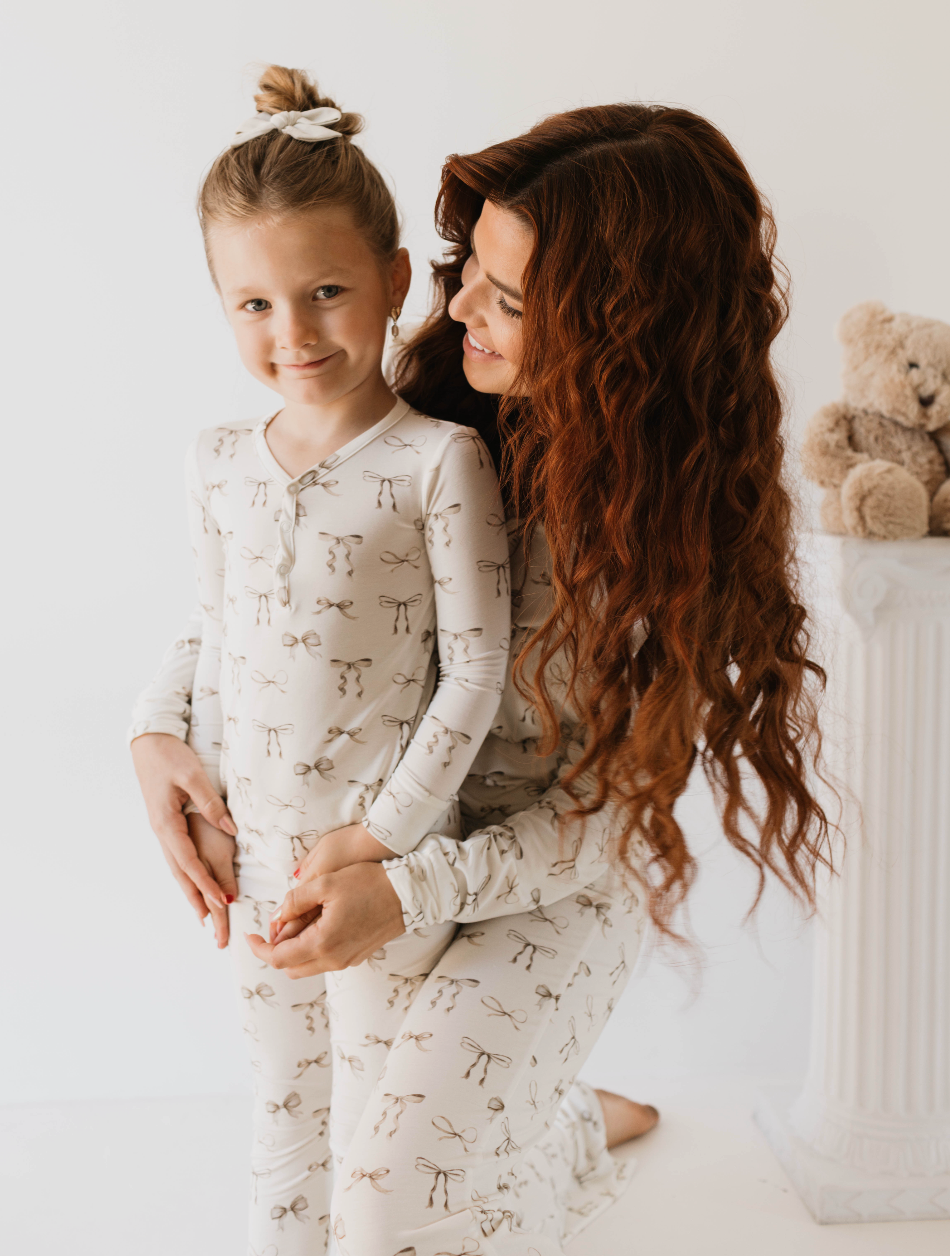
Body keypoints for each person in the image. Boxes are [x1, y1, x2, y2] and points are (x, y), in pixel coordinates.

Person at [132, 97, 830, 1255]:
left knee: (387, 1211)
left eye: (506, 298)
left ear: (619, 328)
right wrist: (157, 732)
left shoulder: (672, 543)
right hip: (387, 859)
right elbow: (268, 595)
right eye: (467, 270)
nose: (454, 307)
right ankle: (540, 1125)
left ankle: (545, 1137)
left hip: (537, 891)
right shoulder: (440, 421)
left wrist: (409, 889)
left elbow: (605, 827)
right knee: (330, 1165)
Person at [130, 64, 513, 1250]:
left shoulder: (436, 461)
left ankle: (556, 1146)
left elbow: (475, 671)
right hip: (255, 862)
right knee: (283, 1119)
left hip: (377, 870)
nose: (292, 333)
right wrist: (153, 728)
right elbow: (208, 629)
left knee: (375, 1147)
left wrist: (382, 836)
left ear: (397, 281)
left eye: (327, 291)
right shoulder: (215, 460)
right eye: (252, 305)